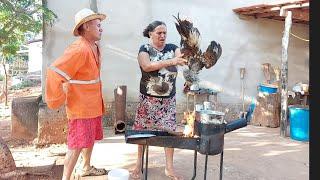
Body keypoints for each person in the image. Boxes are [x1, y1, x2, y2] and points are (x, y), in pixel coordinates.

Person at [45, 8, 107, 180]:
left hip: (92, 103)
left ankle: (85, 167)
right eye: (98, 25)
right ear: (86, 26)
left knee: (89, 138)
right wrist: (58, 97)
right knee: (76, 144)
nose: (101, 28)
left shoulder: (94, 46)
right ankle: (66, 178)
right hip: (80, 106)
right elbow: (54, 72)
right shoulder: (79, 49)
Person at [131, 20, 187, 180]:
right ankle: (138, 165)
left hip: (168, 102)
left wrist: (183, 56)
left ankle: (169, 168)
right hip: (147, 101)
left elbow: (181, 57)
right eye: (159, 33)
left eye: (165, 33)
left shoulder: (172, 48)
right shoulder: (145, 49)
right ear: (150, 34)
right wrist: (171, 62)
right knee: (141, 132)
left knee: (169, 133)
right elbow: (147, 66)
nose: (162, 36)